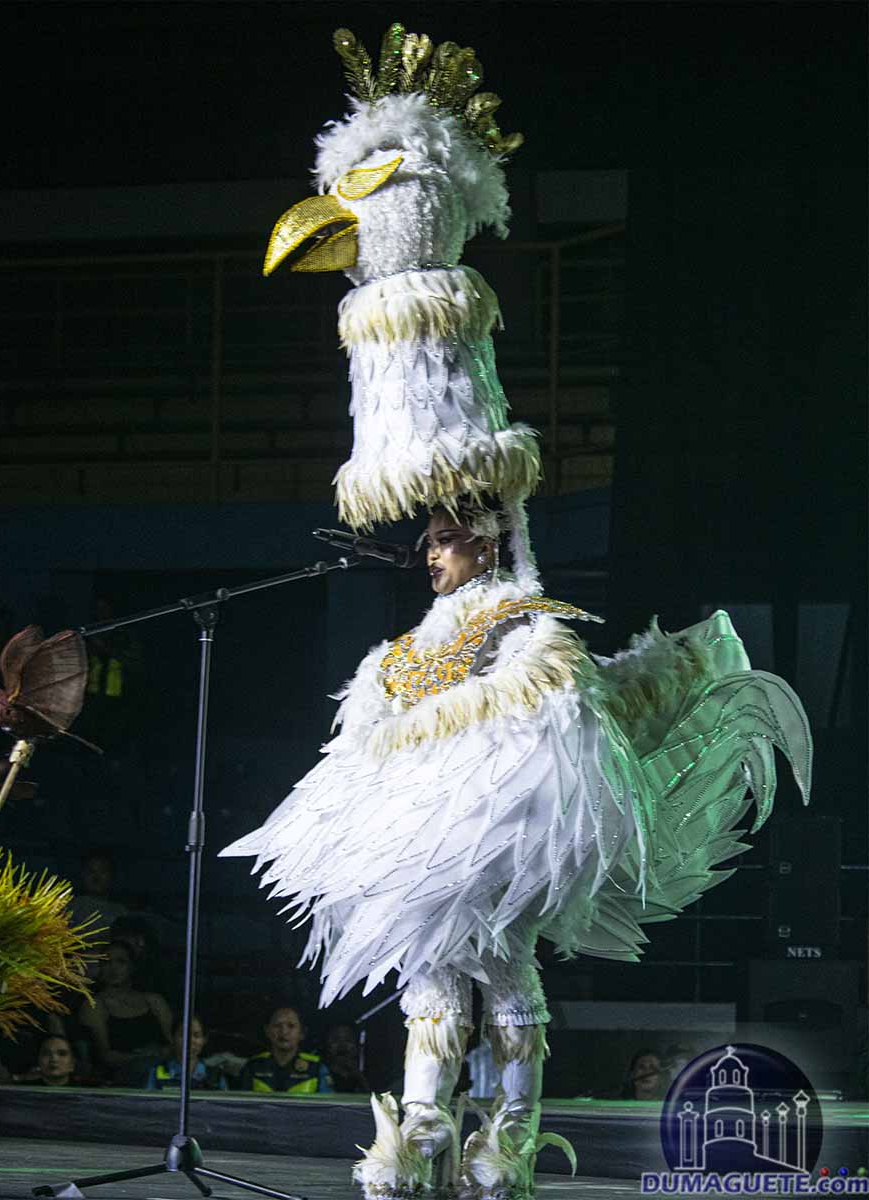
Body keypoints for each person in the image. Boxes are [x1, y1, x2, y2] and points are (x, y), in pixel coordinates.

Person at [221, 23, 812, 1200]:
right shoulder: (412, 650)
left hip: (501, 823)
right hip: (448, 814)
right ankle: (428, 1132)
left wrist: (412, 295)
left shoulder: (526, 632)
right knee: (438, 978)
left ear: (479, 533)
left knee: (502, 975)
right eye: (430, 534)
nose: (428, 549)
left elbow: (477, 481)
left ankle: (503, 1138)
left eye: (446, 534)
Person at [77, 938, 172, 1085]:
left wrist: (160, 1053)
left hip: (162, 1078)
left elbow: (176, 1044)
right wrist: (140, 1057)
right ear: (100, 967)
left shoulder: (154, 1001)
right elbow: (104, 1056)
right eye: (107, 962)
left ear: (132, 966)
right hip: (117, 1082)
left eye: (121, 962)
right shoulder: (93, 1005)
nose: (113, 968)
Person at [237, 1006, 333, 1094]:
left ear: (302, 1033)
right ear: (267, 1031)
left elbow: (328, 1106)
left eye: (291, 1026)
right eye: (277, 1025)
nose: (284, 1031)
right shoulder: (253, 1066)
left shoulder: (316, 1068)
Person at [147, 1015, 227, 1091]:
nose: (189, 1041)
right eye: (183, 1034)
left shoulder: (215, 1076)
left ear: (204, 1040)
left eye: (196, 1036)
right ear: (172, 1038)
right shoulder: (159, 1071)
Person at [324, 1023, 371, 1093]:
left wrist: (358, 1076)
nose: (342, 1045)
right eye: (335, 1039)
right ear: (327, 1044)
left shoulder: (367, 1075)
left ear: (356, 1046)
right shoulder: (319, 1073)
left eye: (348, 1039)